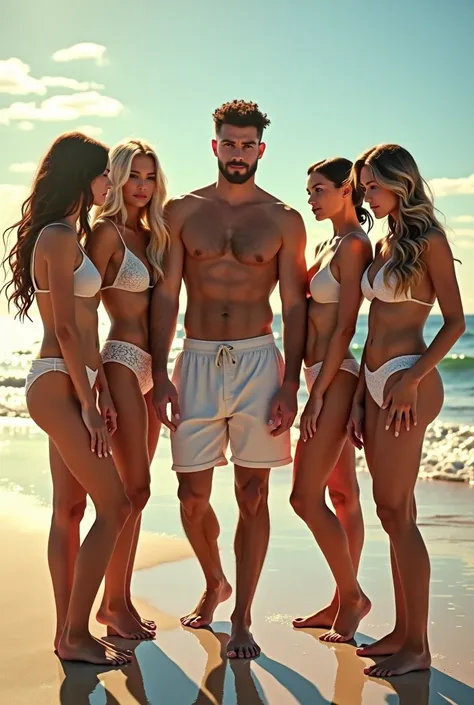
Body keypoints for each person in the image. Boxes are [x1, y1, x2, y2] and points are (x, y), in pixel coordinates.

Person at [150, 100, 307, 660]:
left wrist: (291, 386)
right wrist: (160, 368)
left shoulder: (285, 218)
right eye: (229, 143)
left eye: (248, 145)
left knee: (253, 493)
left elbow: (293, 304)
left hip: (260, 361)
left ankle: (241, 616)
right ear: (214, 146)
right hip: (193, 359)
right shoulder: (181, 212)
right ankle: (214, 579)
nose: (238, 153)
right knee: (191, 496)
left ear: (261, 150)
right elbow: (167, 294)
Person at [1, 132, 132, 666]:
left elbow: (84, 324)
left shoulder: (68, 235)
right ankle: (76, 632)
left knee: (70, 509)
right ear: (84, 176)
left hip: (67, 379)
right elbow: (68, 330)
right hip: (58, 381)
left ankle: (66, 634)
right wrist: (89, 406)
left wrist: (97, 383)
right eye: (105, 175)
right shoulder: (57, 237)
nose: (111, 185)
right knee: (117, 505)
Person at [347, 143, 465, 677]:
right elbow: (368, 326)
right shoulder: (383, 238)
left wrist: (413, 379)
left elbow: (456, 322)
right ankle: (402, 631)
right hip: (374, 382)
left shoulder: (430, 240)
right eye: (363, 185)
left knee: (394, 511)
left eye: (374, 184)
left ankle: (418, 647)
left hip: (407, 381)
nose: (366, 193)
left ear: (402, 184)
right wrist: (356, 393)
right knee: (397, 511)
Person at [88, 139, 168, 640]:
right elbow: (83, 303)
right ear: (116, 179)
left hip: (152, 369)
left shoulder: (152, 233)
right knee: (132, 489)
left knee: (138, 492)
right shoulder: (105, 231)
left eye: (149, 177)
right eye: (134, 176)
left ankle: (119, 599)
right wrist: (95, 380)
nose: (141, 186)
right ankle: (111, 604)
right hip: (118, 360)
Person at [290, 157, 373, 642]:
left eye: (319, 190)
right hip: (319, 375)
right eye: (309, 190)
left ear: (347, 190)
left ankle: (353, 597)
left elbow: (346, 325)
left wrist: (318, 393)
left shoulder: (357, 245)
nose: (311, 198)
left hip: (334, 378)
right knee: (342, 495)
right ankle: (342, 601)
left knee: (305, 497)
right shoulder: (327, 241)